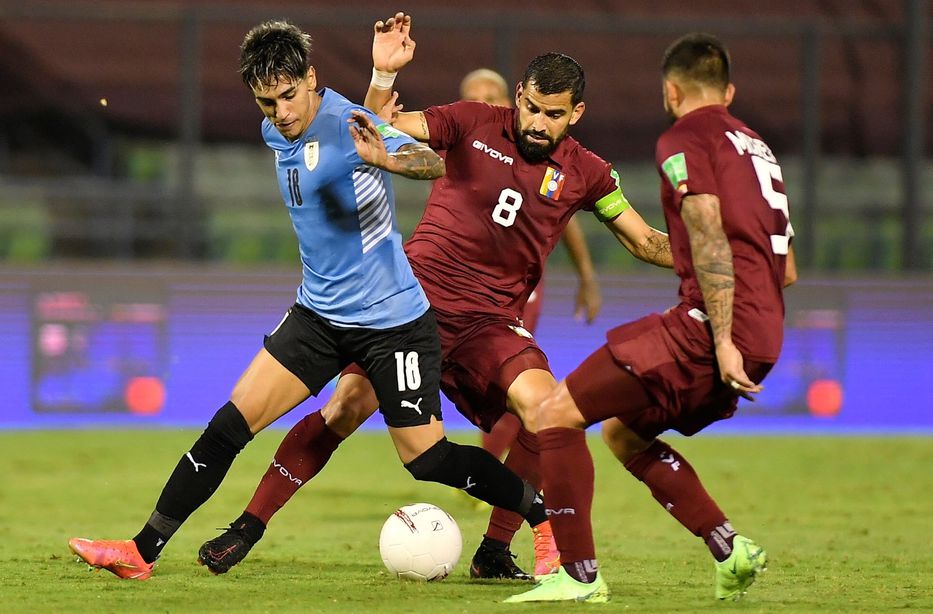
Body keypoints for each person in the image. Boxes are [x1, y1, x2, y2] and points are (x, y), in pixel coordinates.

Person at [67, 19, 556, 580]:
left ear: (313, 79)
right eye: (267, 101)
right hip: (318, 315)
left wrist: (391, 159)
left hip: (394, 323)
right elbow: (317, 139)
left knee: (428, 459)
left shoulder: (349, 123)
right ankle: (141, 550)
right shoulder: (276, 130)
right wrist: (376, 82)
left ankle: (539, 517)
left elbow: (431, 162)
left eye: (290, 96)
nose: (281, 113)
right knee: (229, 425)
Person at [195, 13, 672, 582]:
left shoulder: (590, 174)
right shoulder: (469, 120)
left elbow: (645, 241)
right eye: (531, 108)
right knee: (345, 408)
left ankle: (497, 550)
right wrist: (384, 77)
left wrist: (718, 252)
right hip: (408, 306)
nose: (538, 123)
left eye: (553, 115)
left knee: (548, 412)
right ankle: (247, 526)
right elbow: (382, 127)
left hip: (490, 325)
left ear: (577, 114)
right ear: (519, 96)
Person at [505, 33, 798, 603]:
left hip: (713, 330)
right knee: (623, 433)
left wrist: (722, 337)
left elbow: (708, 235)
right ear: (728, 91)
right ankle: (729, 548)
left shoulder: (685, 137)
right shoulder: (758, 147)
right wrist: (743, 334)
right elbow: (783, 266)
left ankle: (578, 575)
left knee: (554, 413)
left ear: (670, 90)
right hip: (765, 332)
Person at [457, 67, 602, 464]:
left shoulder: (543, 155)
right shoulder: (465, 138)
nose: (483, 104)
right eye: (473, 97)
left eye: (491, 96)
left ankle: (488, 470)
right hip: (453, 287)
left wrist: (586, 277)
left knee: (512, 379)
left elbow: (566, 218)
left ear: (511, 100)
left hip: (511, 290)